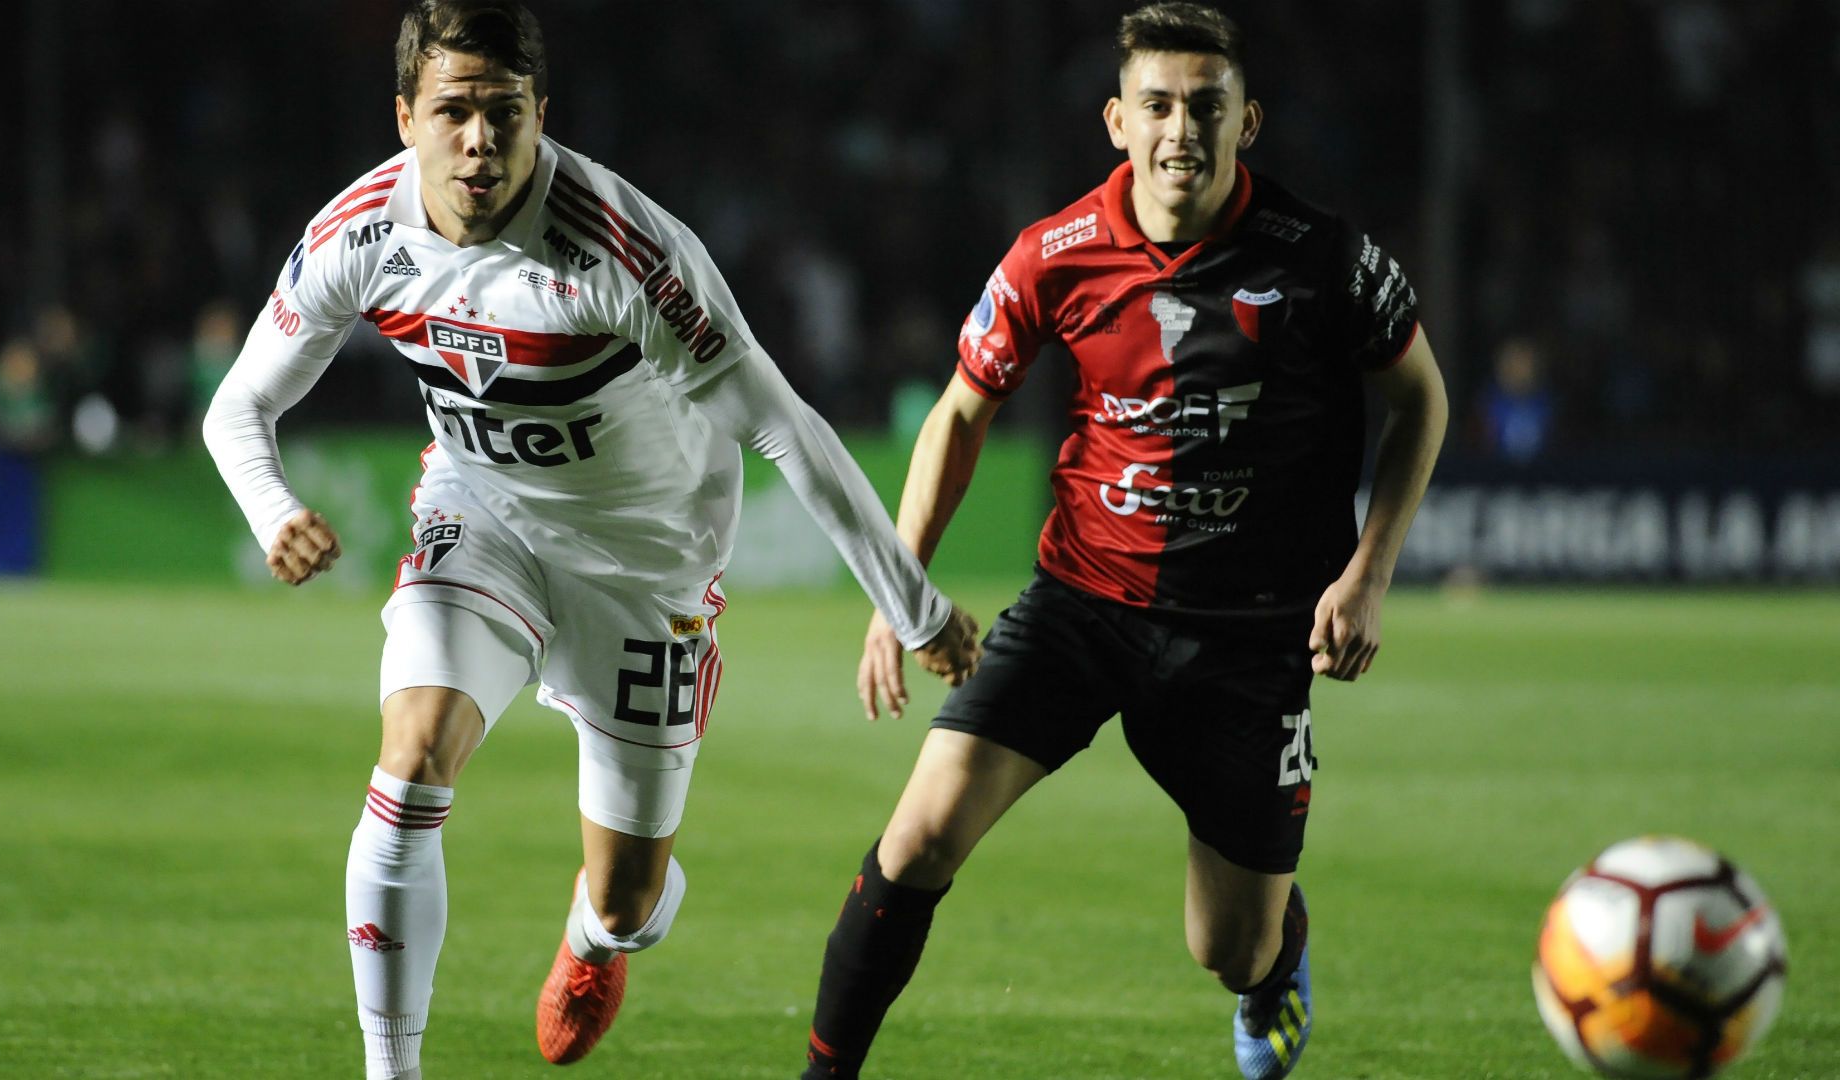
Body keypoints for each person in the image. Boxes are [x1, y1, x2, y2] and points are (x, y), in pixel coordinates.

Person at [201, 3, 980, 1076]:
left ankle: (597, 938)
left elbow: (785, 430)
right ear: (405, 118)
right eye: (454, 111)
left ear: (541, 112)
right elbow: (237, 409)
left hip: (648, 561)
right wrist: (272, 508)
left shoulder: (625, 251)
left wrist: (913, 607)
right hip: (484, 516)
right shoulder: (360, 235)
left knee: (628, 897)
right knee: (410, 763)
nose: (480, 140)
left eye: (504, 111)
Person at [796, 5, 1448, 1078]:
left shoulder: (1323, 257)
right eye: (1158, 106)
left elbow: (1422, 400)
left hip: (1248, 640)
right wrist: (895, 589)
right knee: (919, 837)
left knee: (1228, 948)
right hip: (1082, 608)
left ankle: (1277, 958)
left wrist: (1368, 575)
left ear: (1247, 121)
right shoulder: (1053, 254)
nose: (1181, 129)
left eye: (1206, 106)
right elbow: (959, 414)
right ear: (1117, 121)